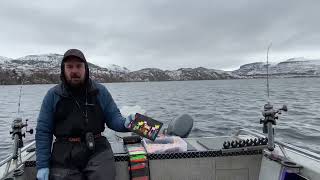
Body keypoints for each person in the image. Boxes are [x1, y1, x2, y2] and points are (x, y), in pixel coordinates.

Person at [35, 49, 134, 180]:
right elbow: (43, 131)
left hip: (98, 149)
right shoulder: (53, 95)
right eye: (69, 67)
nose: (74, 71)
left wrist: (126, 123)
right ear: (63, 70)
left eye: (78, 66)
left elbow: (114, 118)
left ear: (85, 68)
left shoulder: (100, 91)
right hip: (63, 153)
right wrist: (42, 165)